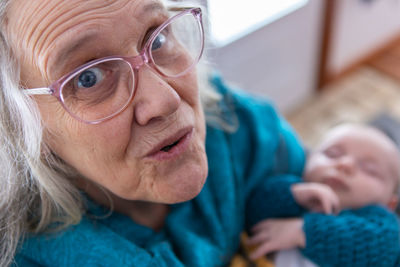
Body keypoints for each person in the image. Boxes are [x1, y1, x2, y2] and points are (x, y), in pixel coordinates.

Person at [0, 1, 308, 266]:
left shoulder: (246, 129)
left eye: (158, 39)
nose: (166, 100)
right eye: (88, 78)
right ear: (18, 127)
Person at [246, 124, 400, 267]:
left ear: (389, 204)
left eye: (369, 169)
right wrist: (293, 195)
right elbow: (253, 209)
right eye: (332, 154)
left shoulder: (382, 225)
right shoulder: (294, 189)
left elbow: (375, 246)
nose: (344, 164)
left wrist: (305, 231)